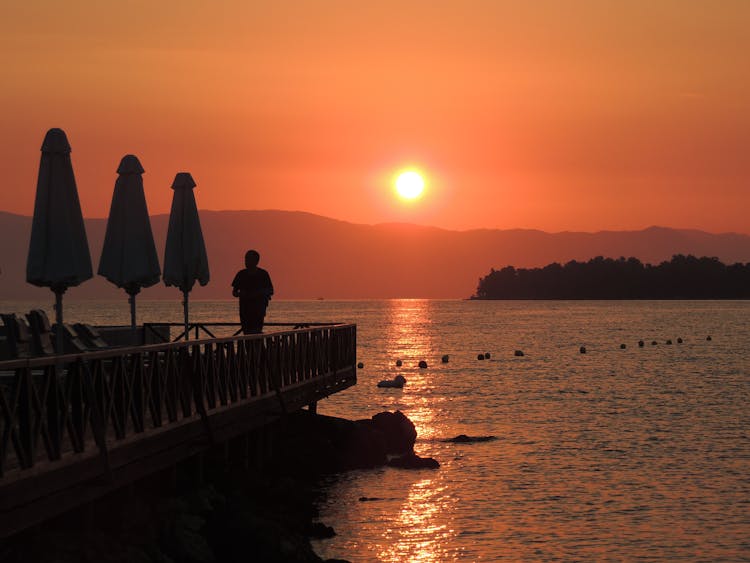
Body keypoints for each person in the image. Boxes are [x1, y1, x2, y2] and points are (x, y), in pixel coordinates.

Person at [232, 250, 274, 334]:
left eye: (249, 259)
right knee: (247, 334)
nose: (246, 261)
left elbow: (271, 290)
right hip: (245, 311)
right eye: (246, 259)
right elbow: (234, 292)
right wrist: (240, 294)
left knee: (257, 333)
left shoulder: (263, 274)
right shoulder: (241, 274)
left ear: (256, 261)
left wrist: (260, 293)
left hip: (258, 311)